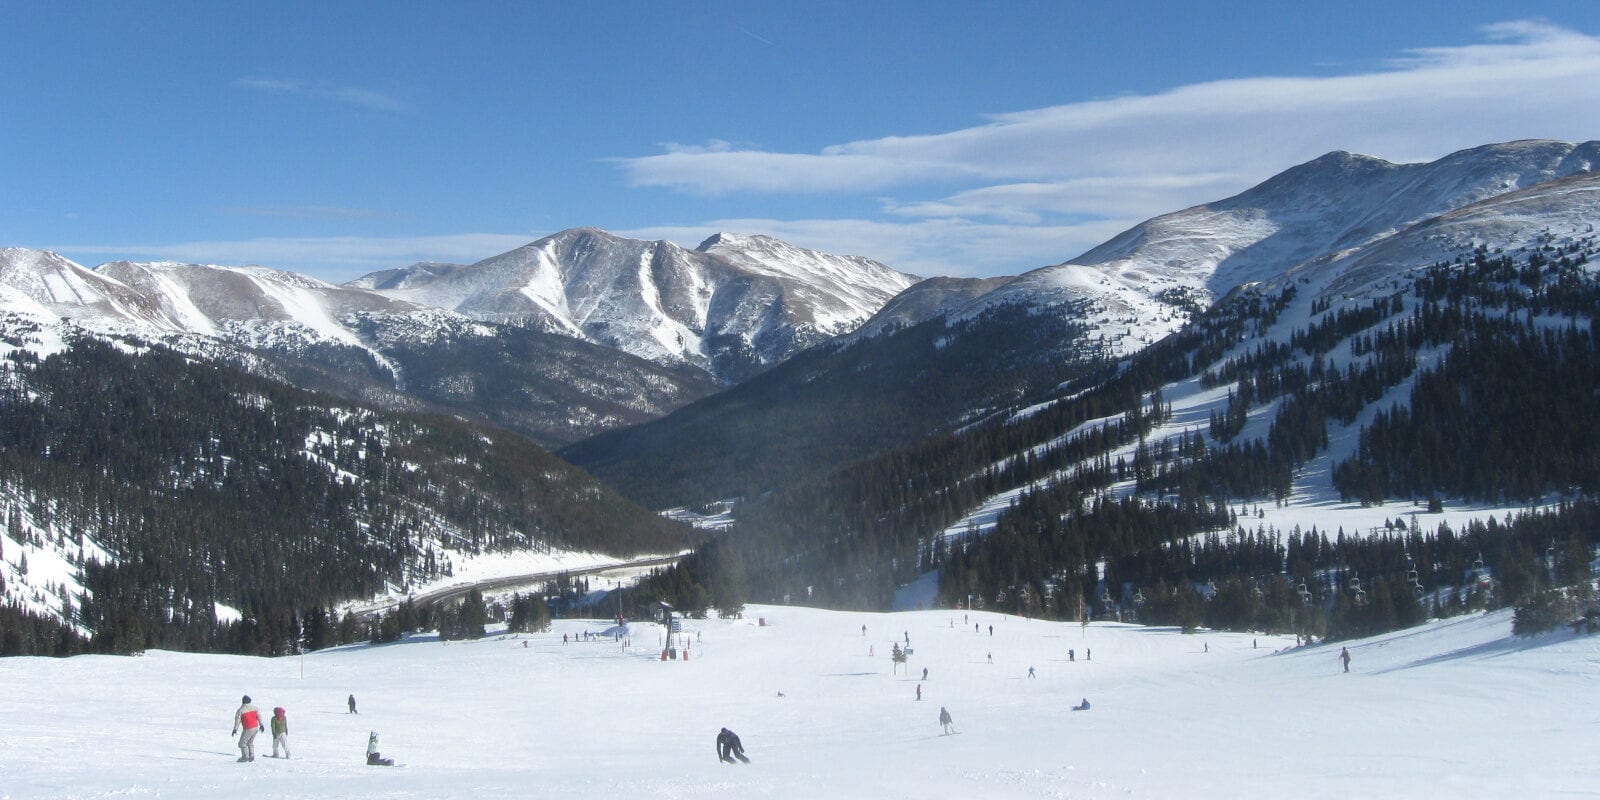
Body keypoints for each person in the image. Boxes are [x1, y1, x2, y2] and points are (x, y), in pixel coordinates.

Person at [232, 695, 263, 762]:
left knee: (242, 743)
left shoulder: (241, 710)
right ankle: (251, 756)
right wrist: (261, 725)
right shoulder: (255, 708)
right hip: (255, 727)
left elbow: (237, 720)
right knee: (250, 742)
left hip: (248, 728)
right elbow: (259, 716)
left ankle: (245, 757)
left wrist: (235, 729)